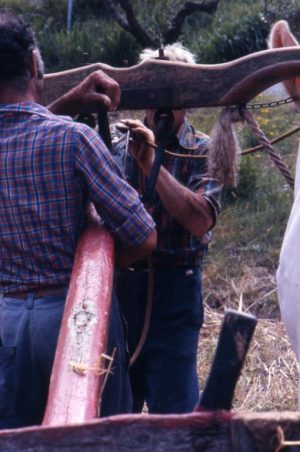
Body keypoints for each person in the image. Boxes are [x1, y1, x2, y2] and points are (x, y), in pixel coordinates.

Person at [0, 9, 157, 429]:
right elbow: (143, 236)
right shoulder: (73, 140)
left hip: (8, 322)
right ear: (34, 63)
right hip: (75, 319)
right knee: (97, 435)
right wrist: (94, 269)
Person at [111, 43, 222, 414]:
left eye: (171, 96)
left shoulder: (203, 149)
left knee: (174, 416)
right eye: (154, 92)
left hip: (175, 292)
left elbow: (200, 219)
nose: (162, 106)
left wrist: (148, 162)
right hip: (123, 290)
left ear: (187, 101)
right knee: (112, 414)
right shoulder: (119, 144)